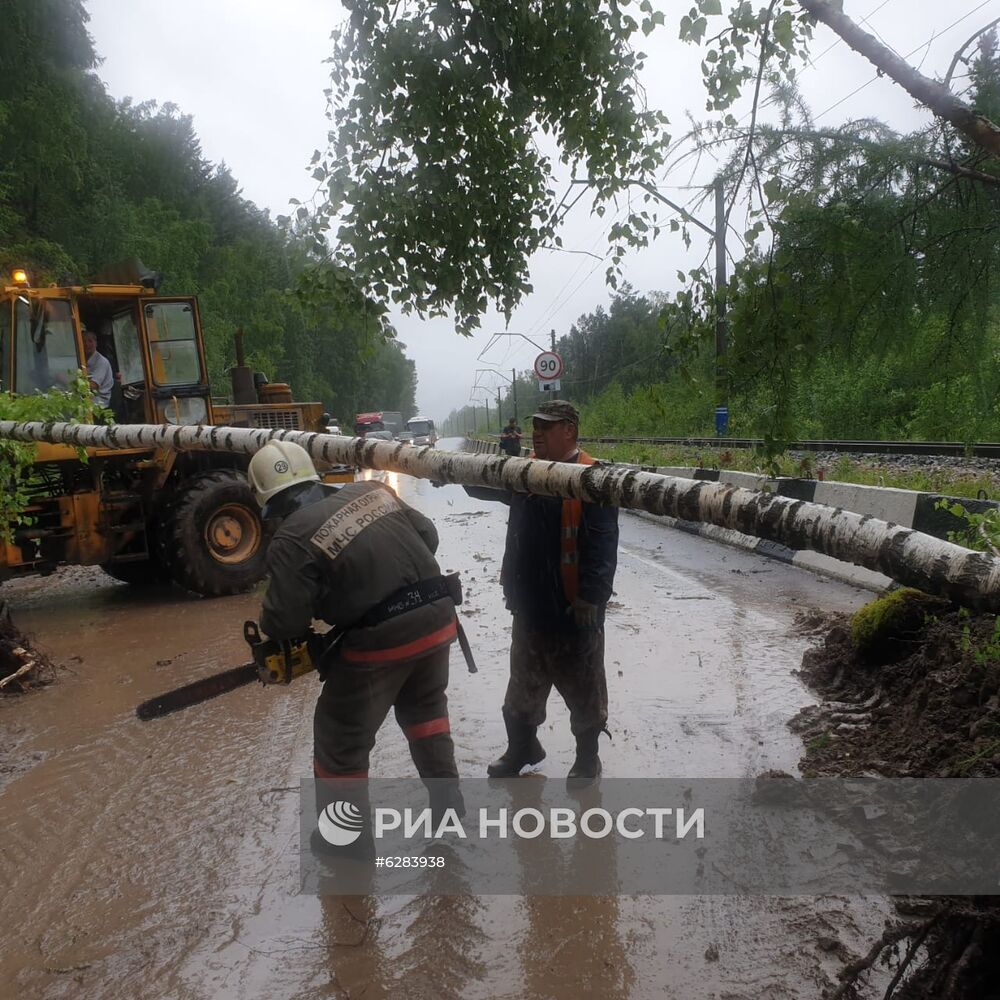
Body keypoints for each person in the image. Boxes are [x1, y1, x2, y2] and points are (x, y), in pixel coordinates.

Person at [247, 440, 464, 849]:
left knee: (339, 734)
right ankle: (448, 807)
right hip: (438, 618)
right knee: (426, 711)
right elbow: (428, 536)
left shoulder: (291, 537)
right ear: (314, 478)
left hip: (382, 639)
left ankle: (346, 840)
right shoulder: (374, 492)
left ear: (270, 505)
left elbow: (284, 620)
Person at [468, 400, 619, 789]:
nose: (536, 432)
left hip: (574, 607)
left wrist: (592, 598)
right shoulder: (527, 472)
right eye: (535, 425)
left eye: (546, 426)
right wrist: (455, 473)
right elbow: (489, 486)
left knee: (584, 688)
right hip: (531, 605)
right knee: (522, 687)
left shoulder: (591, 477)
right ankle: (523, 749)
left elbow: (603, 547)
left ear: (569, 429)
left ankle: (587, 759)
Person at [82, 329, 114, 407]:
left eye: (90, 341)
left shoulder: (101, 361)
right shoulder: (82, 359)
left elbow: (93, 385)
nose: (86, 344)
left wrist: (68, 381)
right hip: (87, 398)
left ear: (96, 343)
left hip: (99, 402)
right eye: (83, 341)